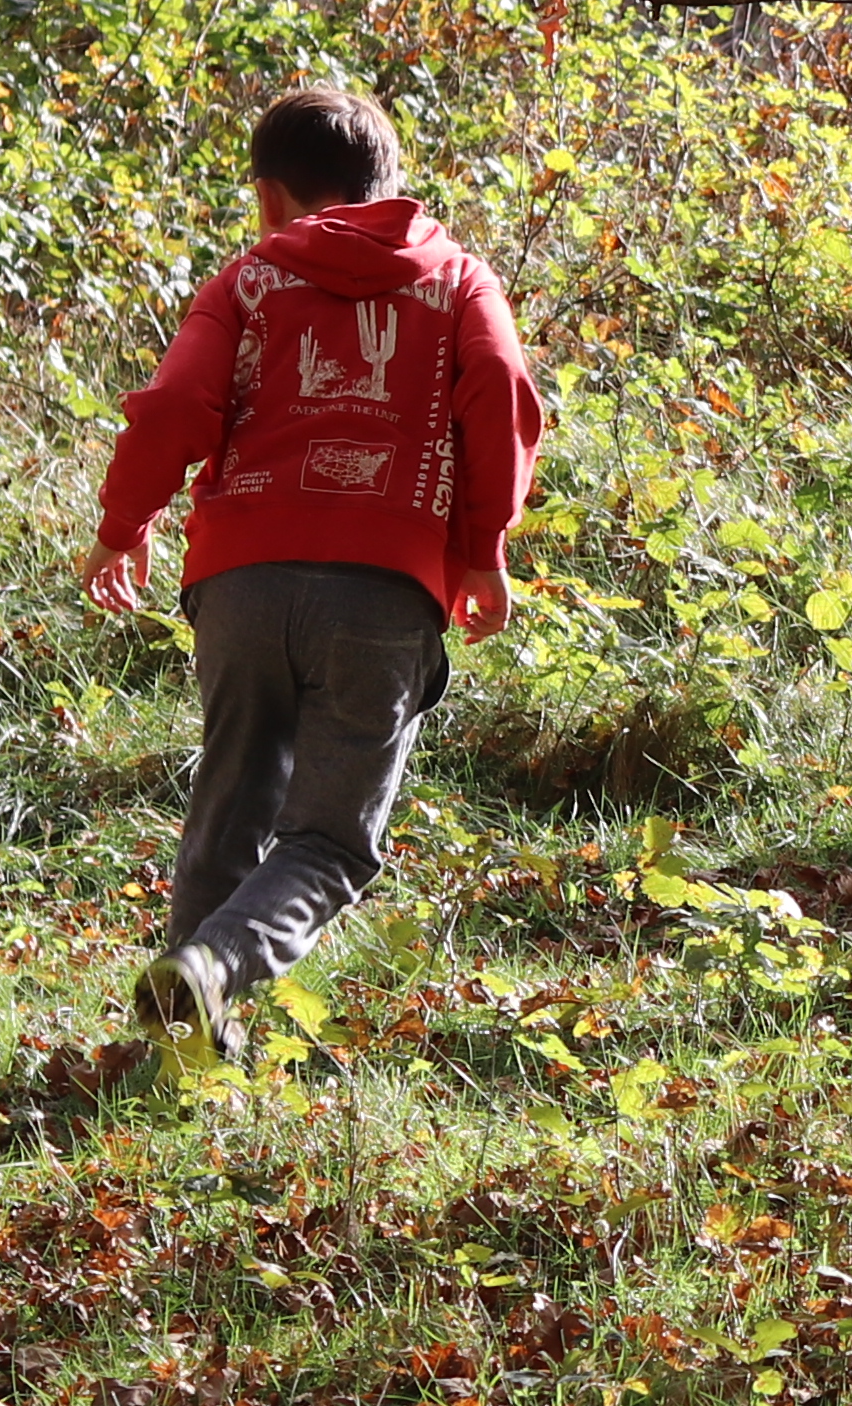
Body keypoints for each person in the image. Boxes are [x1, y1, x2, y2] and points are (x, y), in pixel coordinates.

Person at [84, 80, 548, 1051]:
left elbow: (173, 408)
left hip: (243, 582)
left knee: (232, 800)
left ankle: (186, 1033)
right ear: (386, 184)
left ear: (269, 195)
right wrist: (483, 550)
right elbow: (502, 394)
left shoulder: (249, 280)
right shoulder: (457, 280)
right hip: (384, 591)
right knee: (331, 841)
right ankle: (209, 972)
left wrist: (125, 524)